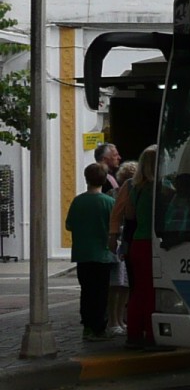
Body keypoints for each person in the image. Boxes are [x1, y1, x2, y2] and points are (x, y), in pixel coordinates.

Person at [110, 145, 158, 349]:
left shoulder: (130, 186)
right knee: (152, 291)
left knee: (137, 290)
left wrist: (113, 237)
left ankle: (135, 332)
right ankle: (151, 334)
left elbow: (118, 214)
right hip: (154, 244)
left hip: (135, 243)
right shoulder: (161, 187)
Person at [66, 163, 116, 342]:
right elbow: (116, 226)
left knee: (86, 291)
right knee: (101, 293)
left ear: (86, 178)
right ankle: (99, 328)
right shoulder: (109, 202)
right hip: (103, 254)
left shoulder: (78, 201)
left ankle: (87, 326)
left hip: (82, 253)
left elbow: (69, 225)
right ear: (104, 179)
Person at [106, 160, 137, 336]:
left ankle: (120, 319)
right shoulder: (114, 194)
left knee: (124, 284)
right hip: (119, 240)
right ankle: (113, 320)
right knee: (116, 284)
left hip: (124, 240)